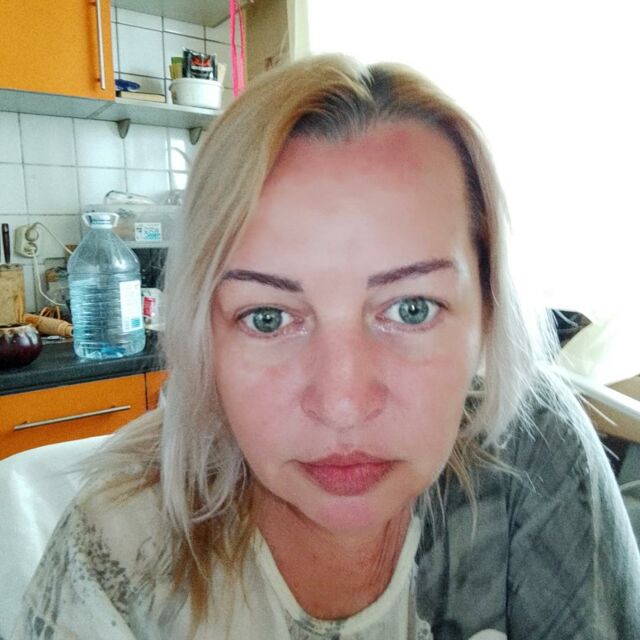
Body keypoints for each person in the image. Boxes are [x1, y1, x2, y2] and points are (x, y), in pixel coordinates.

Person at [11, 54, 640, 639]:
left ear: (487, 314)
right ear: (205, 336)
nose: (342, 405)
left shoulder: (532, 452)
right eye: (267, 318)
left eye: (411, 309)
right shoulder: (122, 543)